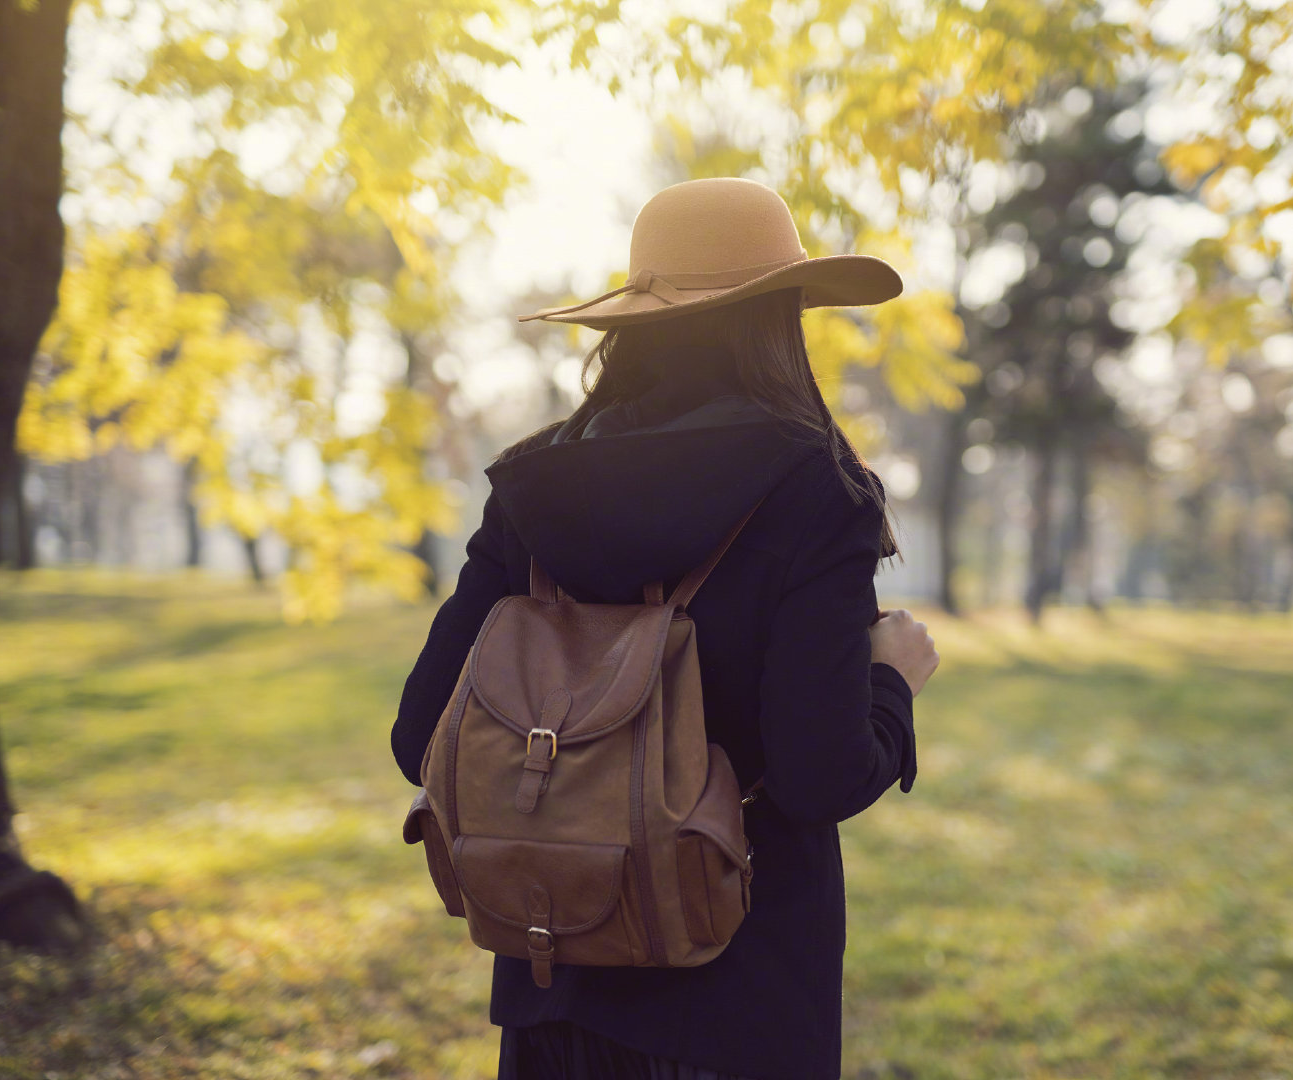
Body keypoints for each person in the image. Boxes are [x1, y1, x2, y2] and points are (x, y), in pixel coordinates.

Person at [390, 177, 941, 1080]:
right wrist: (892, 683)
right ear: (778, 320)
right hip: (739, 997)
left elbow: (423, 741)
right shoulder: (817, 495)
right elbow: (816, 778)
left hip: (552, 981)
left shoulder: (529, 486)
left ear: (629, 325)